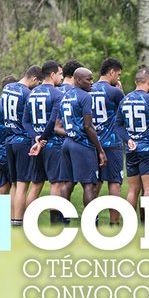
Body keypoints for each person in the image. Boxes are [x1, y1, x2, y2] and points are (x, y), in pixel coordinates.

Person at [115, 69, 149, 215]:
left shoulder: (124, 100)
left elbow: (118, 125)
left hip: (132, 149)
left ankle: (129, 225)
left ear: (135, 82)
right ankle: (147, 228)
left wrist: (128, 139)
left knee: (132, 191)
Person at [56, 68, 107, 209]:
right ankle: (91, 222)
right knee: (89, 185)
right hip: (82, 145)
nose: (92, 82)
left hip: (67, 144)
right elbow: (88, 126)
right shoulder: (85, 97)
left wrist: (71, 132)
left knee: (68, 184)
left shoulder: (65, 96)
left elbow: (57, 127)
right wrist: (101, 150)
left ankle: (63, 220)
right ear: (78, 80)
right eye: (88, 79)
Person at [2, 65, 42, 225]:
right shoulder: (27, 94)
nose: (37, 86)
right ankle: (18, 221)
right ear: (34, 78)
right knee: (22, 185)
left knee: (13, 184)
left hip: (9, 140)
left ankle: (11, 219)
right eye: (38, 82)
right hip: (22, 141)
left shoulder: (7, 88)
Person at [23, 61, 64, 218]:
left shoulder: (31, 93)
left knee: (36, 184)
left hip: (36, 144)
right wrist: (42, 140)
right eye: (60, 74)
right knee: (56, 184)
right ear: (52, 74)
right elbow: (53, 122)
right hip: (52, 144)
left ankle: (26, 223)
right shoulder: (57, 94)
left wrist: (36, 137)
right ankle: (56, 226)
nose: (61, 77)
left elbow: (25, 122)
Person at [91, 58, 125, 224]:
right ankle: (114, 223)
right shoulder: (114, 92)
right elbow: (126, 114)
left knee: (94, 183)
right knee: (114, 183)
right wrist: (121, 91)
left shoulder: (87, 89)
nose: (117, 78)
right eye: (117, 75)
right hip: (112, 143)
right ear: (111, 72)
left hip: (92, 143)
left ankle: (92, 220)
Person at [0, 76, 18, 197]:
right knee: (16, 185)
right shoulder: (12, 105)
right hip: (9, 147)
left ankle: (3, 216)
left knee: (3, 185)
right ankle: (13, 215)